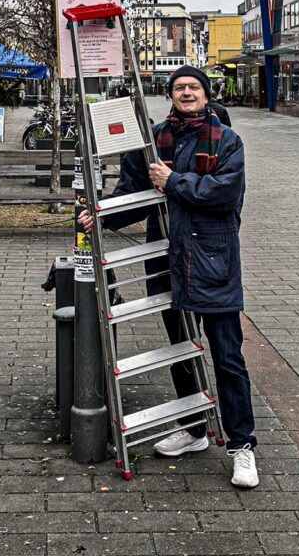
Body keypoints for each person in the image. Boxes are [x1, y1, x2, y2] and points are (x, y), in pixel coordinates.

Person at [78, 65, 258, 488]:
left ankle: (242, 445)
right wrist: (100, 215)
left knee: (227, 357)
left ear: (207, 94)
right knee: (181, 348)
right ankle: (195, 428)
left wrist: (175, 181)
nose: (187, 93)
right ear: (170, 95)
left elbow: (224, 193)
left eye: (194, 87)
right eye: (179, 88)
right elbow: (132, 195)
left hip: (214, 261)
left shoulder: (228, 141)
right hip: (167, 260)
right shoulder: (154, 140)